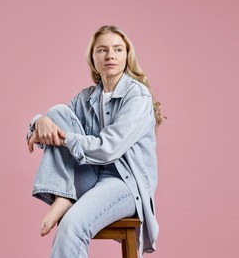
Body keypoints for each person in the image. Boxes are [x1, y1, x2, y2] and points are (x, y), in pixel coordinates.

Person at [26, 25, 163, 257]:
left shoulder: (137, 96)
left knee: (71, 227)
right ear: (93, 58)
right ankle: (63, 194)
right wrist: (39, 122)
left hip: (124, 183)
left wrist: (64, 138)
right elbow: (53, 130)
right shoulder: (86, 97)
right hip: (90, 176)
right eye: (102, 50)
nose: (110, 55)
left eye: (117, 49)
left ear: (127, 56)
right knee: (56, 112)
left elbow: (108, 149)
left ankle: (66, 196)